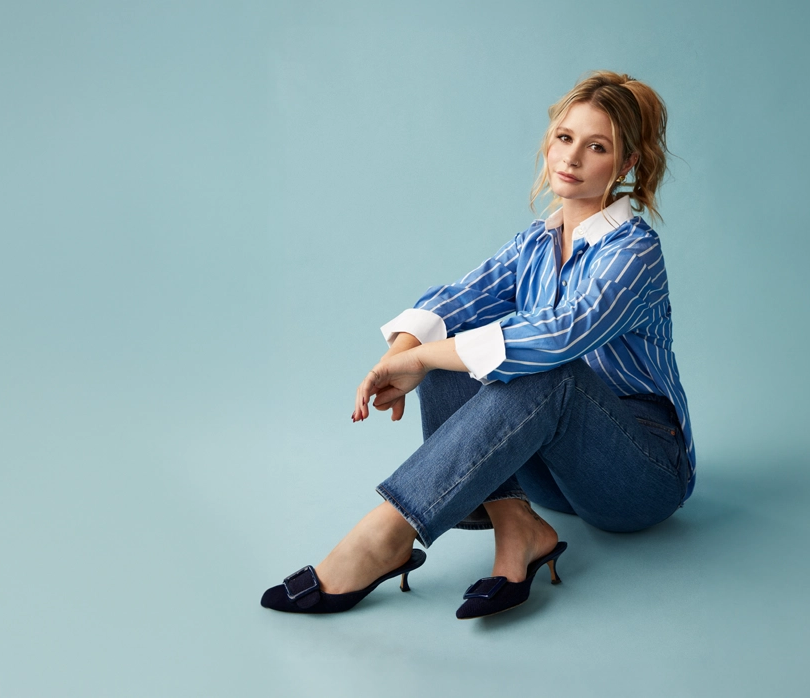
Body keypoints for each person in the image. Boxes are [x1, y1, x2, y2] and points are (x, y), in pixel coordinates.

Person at [260, 70, 695, 619]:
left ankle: (385, 535)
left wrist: (419, 357)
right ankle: (519, 531)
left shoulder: (634, 253)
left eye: (597, 147)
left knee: (541, 363)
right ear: (549, 141)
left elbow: (556, 338)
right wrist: (397, 359)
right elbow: (459, 300)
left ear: (626, 165)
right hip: (555, 470)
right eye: (565, 138)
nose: (573, 157)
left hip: (641, 470)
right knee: (451, 356)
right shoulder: (536, 242)